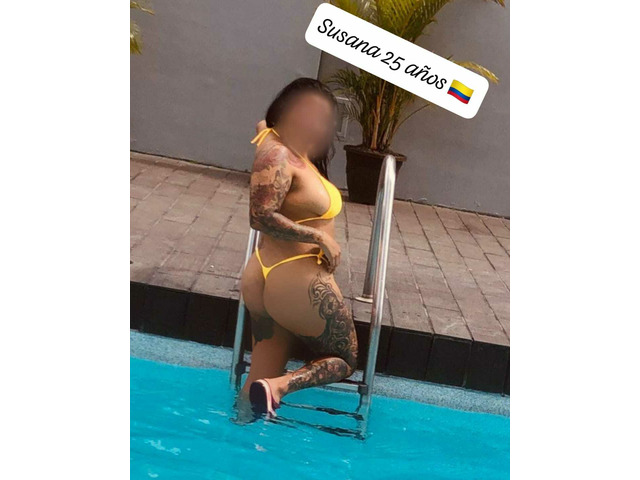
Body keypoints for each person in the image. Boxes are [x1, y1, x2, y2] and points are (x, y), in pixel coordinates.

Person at [236, 78, 358, 418]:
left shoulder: (282, 145)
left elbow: (261, 124)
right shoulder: (278, 152)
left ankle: (240, 437)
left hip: (267, 278)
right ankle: (279, 388)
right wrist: (319, 237)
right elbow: (260, 216)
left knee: (258, 377)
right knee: (344, 360)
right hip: (295, 281)